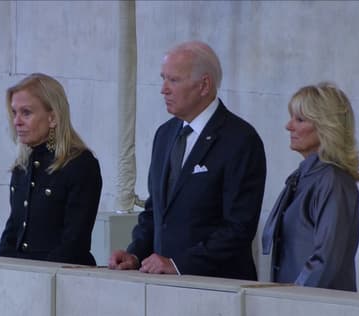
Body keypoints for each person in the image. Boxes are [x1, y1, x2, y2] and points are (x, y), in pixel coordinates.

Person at [108, 41, 266, 280]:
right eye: (163, 78)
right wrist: (136, 254)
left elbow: (238, 227)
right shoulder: (165, 134)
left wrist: (179, 264)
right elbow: (155, 212)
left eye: (174, 80)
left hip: (216, 286)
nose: (164, 89)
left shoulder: (240, 139)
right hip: (162, 286)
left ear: (204, 85)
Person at [261, 82, 359, 291]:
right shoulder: (305, 176)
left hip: (314, 308)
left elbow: (326, 257)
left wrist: (294, 298)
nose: (289, 126)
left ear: (326, 126)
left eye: (299, 119)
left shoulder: (333, 180)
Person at [0, 73, 102, 265]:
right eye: (14, 112)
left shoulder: (80, 165)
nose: (17, 121)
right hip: (22, 278)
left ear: (53, 117)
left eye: (26, 112)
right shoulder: (22, 166)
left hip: (62, 280)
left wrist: (38, 278)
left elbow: (74, 241)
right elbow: (13, 231)